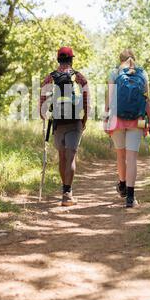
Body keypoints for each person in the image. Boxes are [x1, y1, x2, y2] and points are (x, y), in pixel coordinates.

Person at [104, 49, 150, 207]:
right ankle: (131, 198)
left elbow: (110, 98)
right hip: (138, 120)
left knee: (120, 154)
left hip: (116, 119)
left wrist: (106, 116)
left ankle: (122, 184)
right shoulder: (143, 73)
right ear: (134, 58)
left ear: (120, 60)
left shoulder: (114, 72)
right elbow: (147, 101)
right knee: (132, 157)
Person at [40, 47, 90, 206]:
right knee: (71, 156)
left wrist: (44, 115)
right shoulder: (78, 77)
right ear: (71, 59)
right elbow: (86, 98)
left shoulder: (50, 77)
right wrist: (85, 118)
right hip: (74, 120)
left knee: (62, 156)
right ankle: (67, 193)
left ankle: (64, 191)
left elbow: (42, 99)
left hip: (58, 122)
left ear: (58, 59)